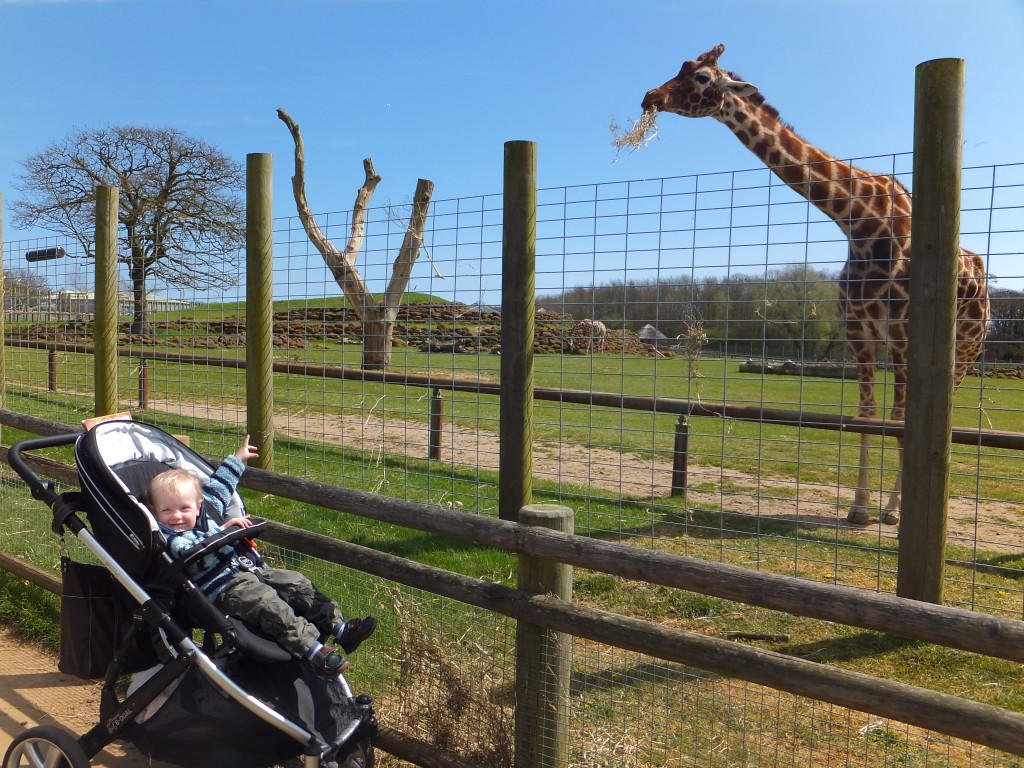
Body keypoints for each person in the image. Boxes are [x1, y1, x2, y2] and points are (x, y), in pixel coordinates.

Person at [147, 435, 376, 678]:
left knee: (296, 582)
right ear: (155, 513)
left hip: (251, 570)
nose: (177, 516)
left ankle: (341, 629)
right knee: (269, 604)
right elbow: (187, 550)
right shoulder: (169, 537)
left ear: (198, 507)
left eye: (184, 508)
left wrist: (238, 459)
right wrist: (222, 531)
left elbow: (220, 488)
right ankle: (314, 651)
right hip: (226, 590)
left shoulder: (206, 512)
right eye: (167, 510)